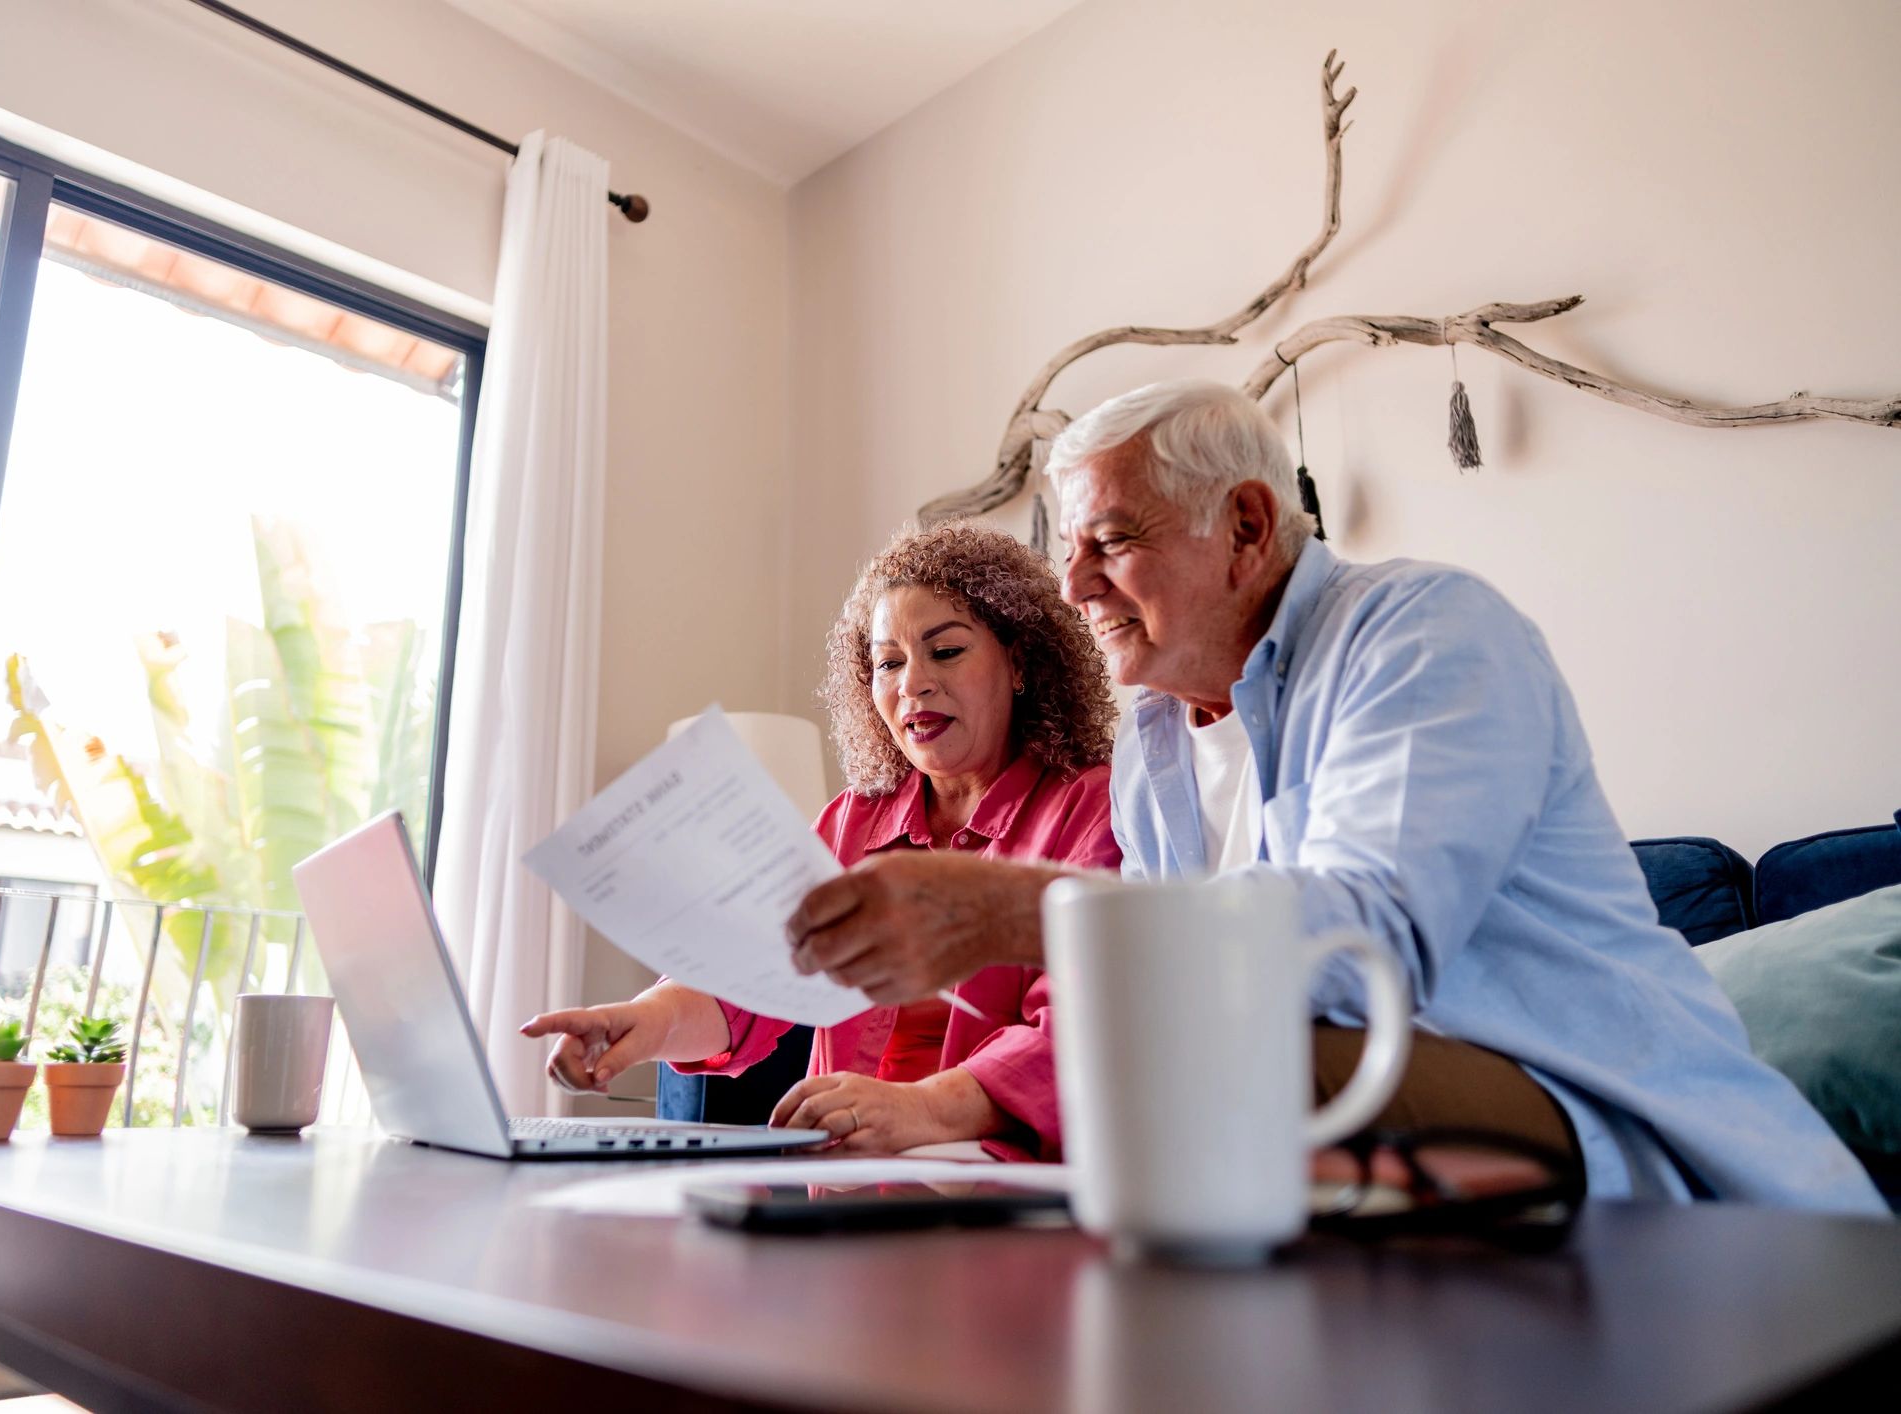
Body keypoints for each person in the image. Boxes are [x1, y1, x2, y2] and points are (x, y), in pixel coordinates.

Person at [785, 378, 1882, 1211]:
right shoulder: (1153, 746)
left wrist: (1010, 908)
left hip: (1607, 1118)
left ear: (1248, 529)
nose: (1070, 588)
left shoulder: (1421, 632)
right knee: (1148, 1072)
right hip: (1342, 1106)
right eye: (1065, 551)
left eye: (1108, 543)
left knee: (1207, 1061)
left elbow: (1366, 946)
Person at [522, 524, 1121, 1159]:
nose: (911, 683)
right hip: (844, 1186)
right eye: (887, 662)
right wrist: (641, 1023)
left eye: (945, 652)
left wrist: (923, 1108)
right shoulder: (853, 821)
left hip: (996, 1201)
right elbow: (748, 974)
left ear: (1021, 661)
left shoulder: (1094, 805)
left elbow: (1084, 1024)